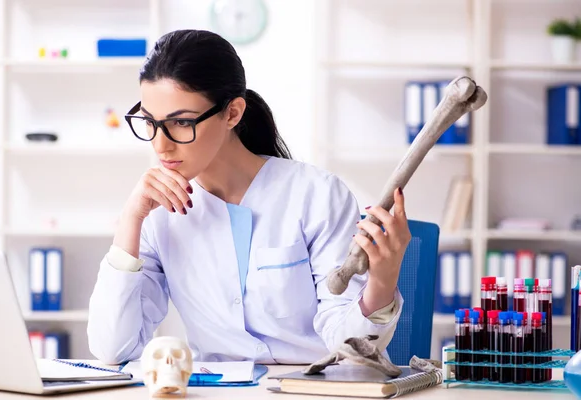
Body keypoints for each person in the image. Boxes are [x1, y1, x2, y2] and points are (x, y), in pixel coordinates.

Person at [86, 29, 411, 365]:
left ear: (232, 113)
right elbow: (113, 348)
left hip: (313, 388)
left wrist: (382, 282)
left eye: (181, 122)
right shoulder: (157, 211)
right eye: (150, 122)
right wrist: (130, 220)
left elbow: (349, 346)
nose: (160, 145)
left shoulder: (315, 195)